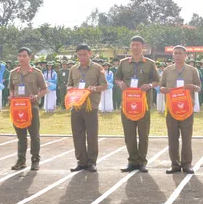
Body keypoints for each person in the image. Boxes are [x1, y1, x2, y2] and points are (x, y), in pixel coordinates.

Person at [115, 36, 159, 172]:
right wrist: (120, 83)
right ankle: (132, 161)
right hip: (127, 104)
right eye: (133, 45)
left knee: (143, 133)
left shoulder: (150, 63)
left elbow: (157, 80)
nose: (135, 47)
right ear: (130, 47)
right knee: (129, 134)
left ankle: (142, 162)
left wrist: (150, 85)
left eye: (137, 45)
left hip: (143, 104)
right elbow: (117, 78)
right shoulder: (123, 63)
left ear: (143, 47)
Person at [160, 45, 201, 174]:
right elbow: (161, 87)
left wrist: (193, 87)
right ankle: (174, 164)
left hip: (187, 109)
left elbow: (199, 87)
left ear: (185, 56)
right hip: (171, 109)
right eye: (175, 53)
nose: (177, 55)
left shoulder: (192, 70)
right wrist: (163, 90)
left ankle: (187, 164)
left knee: (186, 137)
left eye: (180, 53)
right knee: (172, 137)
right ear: (172, 55)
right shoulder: (167, 70)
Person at [67, 43, 108, 172]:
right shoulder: (73, 69)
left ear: (89, 54)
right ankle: (81, 161)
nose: (82, 57)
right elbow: (69, 85)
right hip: (76, 106)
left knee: (91, 135)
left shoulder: (97, 68)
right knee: (77, 135)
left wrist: (94, 88)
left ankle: (91, 162)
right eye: (79, 55)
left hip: (91, 107)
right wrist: (70, 89)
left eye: (85, 54)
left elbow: (105, 86)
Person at [8, 47, 48, 170]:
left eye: (24, 55)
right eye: (19, 55)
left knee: (34, 135)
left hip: (32, 107)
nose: (21, 58)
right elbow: (11, 88)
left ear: (30, 57)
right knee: (21, 136)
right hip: (17, 108)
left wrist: (36, 96)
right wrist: (11, 95)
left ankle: (35, 159)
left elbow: (45, 89)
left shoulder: (36, 72)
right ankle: (21, 160)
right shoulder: (13, 73)